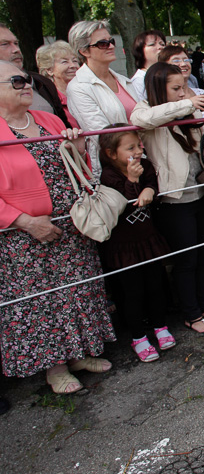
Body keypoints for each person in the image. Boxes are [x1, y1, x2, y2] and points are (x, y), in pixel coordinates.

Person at [0, 61, 115, 394]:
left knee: (78, 291)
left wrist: (78, 145)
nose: (27, 85)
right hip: (24, 236)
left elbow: (81, 164)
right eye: (17, 80)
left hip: (71, 225)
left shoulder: (48, 120)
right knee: (43, 303)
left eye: (27, 80)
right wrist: (23, 222)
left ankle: (79, 352)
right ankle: (55, 366)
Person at [130, 62, 204, 334]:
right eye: (176, 88)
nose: (182, 92)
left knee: (200, 257)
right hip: (174, 201)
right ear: (158, 89)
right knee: (185, 261)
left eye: (183, 87)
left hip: (199, 193)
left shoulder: (187, 113)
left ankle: (202, 306)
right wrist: (189, 104)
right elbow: (140, 120)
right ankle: (191, 314)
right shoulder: (147, 110)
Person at [98, 127, 174, 362]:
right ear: (111, 153)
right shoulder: (108, 177)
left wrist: (149, 187)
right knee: (132, 292)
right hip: (124, 246)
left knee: (155, 285)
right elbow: (124, 204)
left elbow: (152, 185)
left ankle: (160, 326)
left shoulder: (146, 166)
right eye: (130, 148)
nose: (138, 151)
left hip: (147, 239)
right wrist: (132, 180)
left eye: (139, 145)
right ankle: (138, 336)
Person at [67, 20, 141, 176]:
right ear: (84, 51)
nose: (111, 46)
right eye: (102, 43)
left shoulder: (123, 80)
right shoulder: (78, 87)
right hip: (115, 171)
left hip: (141, 160)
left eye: (111, 41)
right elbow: (103, 136)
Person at [2, 24, 70, 125]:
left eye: (16, 43)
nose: (16, 49)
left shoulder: (41, 82)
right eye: (5, 44)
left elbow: (64, 127)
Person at [35, 40, 80, 127]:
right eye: (64, 62)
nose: (73, 65)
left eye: (75, 61)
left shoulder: (86, 90)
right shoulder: (49, 100)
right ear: (49, 70)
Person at [130, 30, 167, 100]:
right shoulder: (139, 81)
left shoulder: (168, 74)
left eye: (162, 44)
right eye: (152, 44)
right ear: (140, 51)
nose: (160, 47)